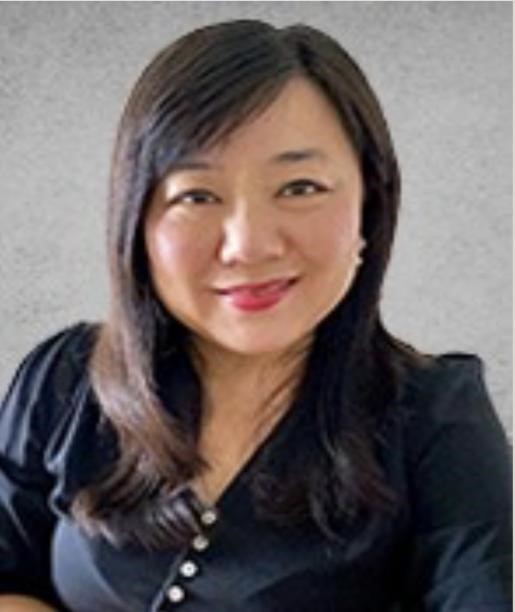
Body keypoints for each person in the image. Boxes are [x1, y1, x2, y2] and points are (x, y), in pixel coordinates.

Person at [0, 19, 511, 612]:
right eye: (197, 195)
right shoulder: (66, 377)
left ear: (369, 206)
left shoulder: (437, 418)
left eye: (300, 187)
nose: (248, 245)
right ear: (137, 222)